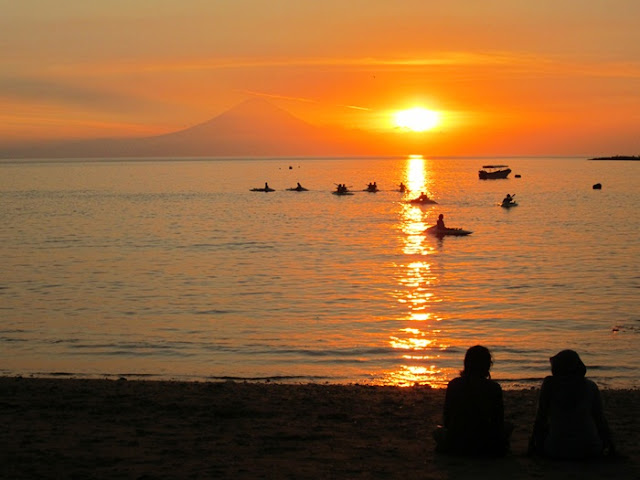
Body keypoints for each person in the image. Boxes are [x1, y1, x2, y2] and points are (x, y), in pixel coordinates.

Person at [529, 350, 615, 460]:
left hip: (556, 450)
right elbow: (600, 419)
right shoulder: (590, 386)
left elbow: (541, 418)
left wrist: (532, 445)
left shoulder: (550, 385)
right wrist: (611, 446)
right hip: (590, 449)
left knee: (547, 428)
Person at [433, 346, 511, 456]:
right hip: (486, 444)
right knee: (508, 426)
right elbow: (498, 420)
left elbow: (447, 418)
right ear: (488, 365)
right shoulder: (494, 387)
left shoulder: (455, 384)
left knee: (437, 432)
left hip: (457, 442)